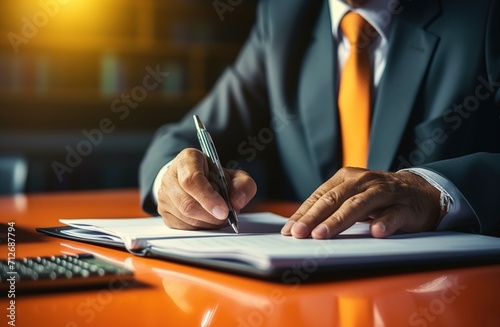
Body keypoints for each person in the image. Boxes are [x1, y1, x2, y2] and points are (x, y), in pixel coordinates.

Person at [139, 0, 500, 239]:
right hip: (311, 287)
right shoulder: (284, 19)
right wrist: (173, 183)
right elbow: (181, 138)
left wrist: (435, 190)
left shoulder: (483, 14)